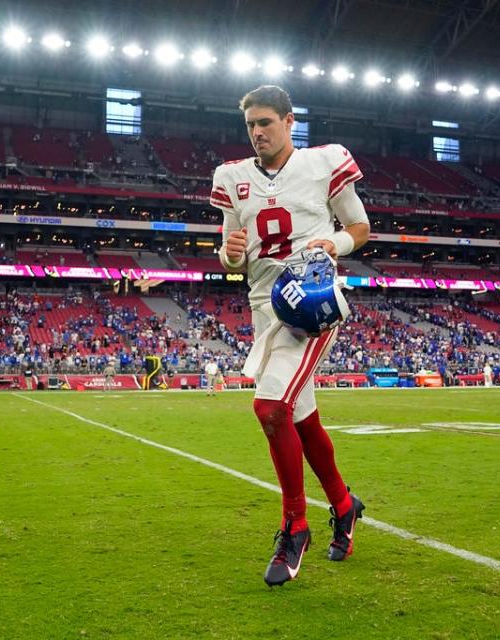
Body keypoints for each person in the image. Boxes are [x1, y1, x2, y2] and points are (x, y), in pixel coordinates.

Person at [212, 85, 370, 586]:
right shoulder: (231, 177)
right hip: (264, 307)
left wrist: (332, 240)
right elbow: (228, 255)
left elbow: (360, 226)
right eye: (250, 125)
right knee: (302, 419)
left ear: (289, 120)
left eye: (265, 122)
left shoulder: (324, 162)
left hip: (312, 301)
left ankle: (294, 524)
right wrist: (231, 253)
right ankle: (344, 505)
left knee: (270, 406)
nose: (257, 132)